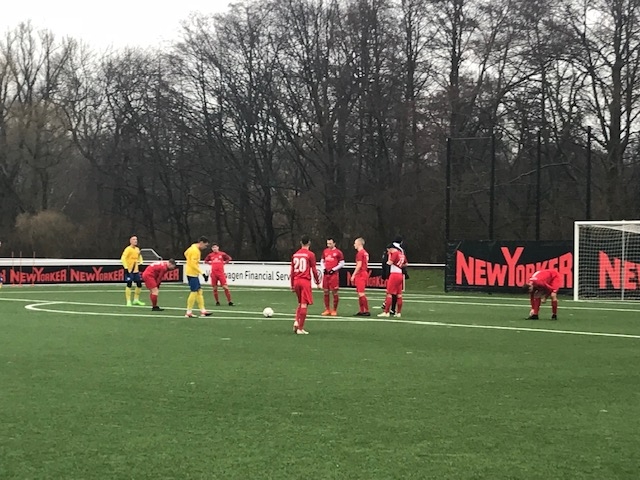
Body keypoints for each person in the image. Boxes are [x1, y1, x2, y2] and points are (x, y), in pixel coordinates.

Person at [290, 235, 321, 334]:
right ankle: (300, 328)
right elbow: (314, 270)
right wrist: (317, 282)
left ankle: (296, 321)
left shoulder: (295, 255)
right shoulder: (310, 255)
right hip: (305, 281)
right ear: (309, 243)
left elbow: (292, 271)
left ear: (301, 243)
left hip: (296, 281)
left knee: (300, 303)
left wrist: (292, 285)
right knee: (304, 304)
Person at [184, 236, 213, 318]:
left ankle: (203, 310)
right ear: (201, 243)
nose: (205, 247)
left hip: (192, 272)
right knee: (194, 291)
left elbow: (185, 253)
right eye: (205, 245)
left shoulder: (192, 248)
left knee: (199, 291)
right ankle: (188, 312)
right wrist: (202, 273)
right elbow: (193, 264)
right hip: (192, 273)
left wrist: (188, 261)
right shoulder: (195, 251)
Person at [378, 244, 408, 318]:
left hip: (394, 274)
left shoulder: (395, 253)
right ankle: (398, 313)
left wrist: (389, 258)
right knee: (399, 294)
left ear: (390, 249)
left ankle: (386, 312)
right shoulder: (401, 254)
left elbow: (389, 262)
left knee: (389, 293)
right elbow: (406, 264)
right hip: (400, 274)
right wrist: (400, 265)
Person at [320, 237, 345, 316]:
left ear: (334, 243)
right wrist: (324, 268)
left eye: (330, 243)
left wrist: (334, 269)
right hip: (326, 275)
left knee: (334, 292)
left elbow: (342, 263)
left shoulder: (338, 252)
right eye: (327, 243)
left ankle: (334, 310)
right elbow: (322, 261)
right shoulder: (325, 251)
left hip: (333, 275)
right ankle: (327, 309)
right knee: (326, 291)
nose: (328, 245)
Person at [120, 235, 145, 306]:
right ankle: (128, 301)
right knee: (129, 284)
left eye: (136, 239)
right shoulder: (128, 249)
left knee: (139, 284)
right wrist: (126, 267)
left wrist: (141, 262)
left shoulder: (137, 249)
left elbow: (139, 256)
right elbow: (123, 258)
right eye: (134, 239)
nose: (135, 241)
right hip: (129, 270)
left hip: (135, 270)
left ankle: (136, 300)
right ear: (130, 241)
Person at [351, 237, 370, 316]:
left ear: (359, 243)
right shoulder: (365, 253)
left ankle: (366, 310)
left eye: (355, 243)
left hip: (361, 273)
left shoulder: (360, 253)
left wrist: (353, 275)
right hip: (364, 272)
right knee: (359, 293)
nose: (354, 245)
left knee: (361, 293)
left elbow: (359, 265)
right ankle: (362, 310)